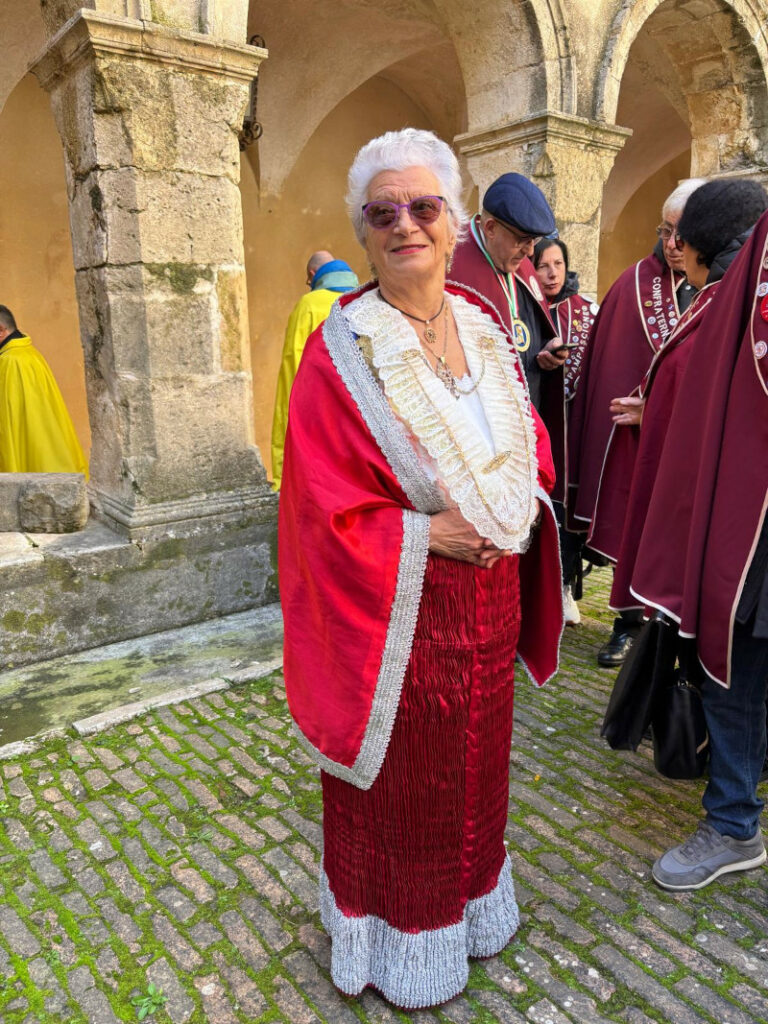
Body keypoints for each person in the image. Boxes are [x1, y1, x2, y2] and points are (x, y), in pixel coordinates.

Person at [279, 128, 562, 1008]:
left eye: (424, 207)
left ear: (453, 221)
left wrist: (522, 503)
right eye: (383, 212)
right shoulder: (342, 349)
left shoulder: (484, 325)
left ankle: (474, 912)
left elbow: (524, 440)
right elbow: (317, 506)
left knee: (478, 773)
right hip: (401, 611)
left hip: (493, 597)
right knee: (404, 791)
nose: (406, 224)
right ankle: (394, 945)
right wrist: (424, 536)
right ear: (364, 233)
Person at [628, 205, 768, 891]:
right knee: (736, 667)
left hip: (752, 531)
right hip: (749, 520)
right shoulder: (733, 295)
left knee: (735, 673)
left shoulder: (735, 295)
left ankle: (735, 821)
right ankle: (735, 820)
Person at [611, 179, 768, 614]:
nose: (673, 245)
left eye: (678, 235)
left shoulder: (727, 306)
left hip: (729, 539)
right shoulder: (727, 297)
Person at [567, 179, 705, 666]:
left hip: (696, 441)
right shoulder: (633, 284)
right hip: (637, 437)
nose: (672, 244)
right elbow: (608, 359)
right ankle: (628, 624)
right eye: (664, 231)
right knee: (636, 524)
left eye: (682, 233)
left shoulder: (724, 286)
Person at [451, 173, 569, 501]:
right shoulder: (452, 265)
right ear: (490, 229)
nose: (531, 252)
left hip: (524, 426)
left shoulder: (519, 262)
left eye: (534, 240)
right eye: (523, 240)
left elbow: (527, 330)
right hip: (477, 437)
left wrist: (547, 354)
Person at [533, 237, 599, 625]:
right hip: (538, 423)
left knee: (569, 511)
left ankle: (566, 586)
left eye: (558, 264)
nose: (552, 272)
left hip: (574, 426)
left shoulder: (586, 310)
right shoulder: (525, 308)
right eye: (543, 265)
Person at [270, 251, 358, 489]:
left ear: (312, 276)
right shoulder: (365, 299)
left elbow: (293, 364)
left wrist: (280, 475)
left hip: (319, 411)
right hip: (360, 414)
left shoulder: (309, 305)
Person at [0, 305, 87, 476]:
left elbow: (5, 425)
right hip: (50, 455)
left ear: (1, 331)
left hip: (29, 463)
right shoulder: (30, 353)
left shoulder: (9, 361)